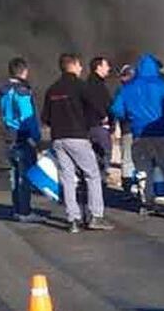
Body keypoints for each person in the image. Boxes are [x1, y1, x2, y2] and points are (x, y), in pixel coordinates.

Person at [41, 53, 113, 233]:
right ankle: (96, 215)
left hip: (58, 138)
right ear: (72, 65)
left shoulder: (52, 89)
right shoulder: (81, 86)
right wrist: (101, 118)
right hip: (78, 137)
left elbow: (45, 117)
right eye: (79, 65)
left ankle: (72, 219)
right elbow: (97, 108)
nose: (82, 68)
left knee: (68, 179)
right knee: (92, 175)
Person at [110, 54, 164, 216]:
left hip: (140, 134)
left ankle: (147, 202)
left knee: (144, 170)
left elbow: (116, 109)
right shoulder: (163, 86)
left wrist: (130, 117)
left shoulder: (128, 87)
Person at [0, 57, 43, 223]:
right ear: (24, 71)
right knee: (24, 177)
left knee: (14, 176)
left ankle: (17, 209)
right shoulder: (22, 91)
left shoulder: (3, 91)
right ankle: (24, 211)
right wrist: (34, 137)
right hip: (23, 138)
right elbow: (27, 117)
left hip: (9, 136)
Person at [85, 56, 113, 177]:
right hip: (99, 127)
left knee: (92, 159)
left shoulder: (86, 84)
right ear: (98, 67)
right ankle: (101, 185)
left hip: (87, 127)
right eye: (106, 65)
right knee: (104, 157)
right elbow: (105, 105)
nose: (109, 68)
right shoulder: (98, 86)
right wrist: (106, 118)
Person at [116, 64, 137, 190]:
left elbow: (117, 110)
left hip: (128, 128)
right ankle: (142, 188)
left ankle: (128, 188)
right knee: (142, 159)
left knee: (127, 159)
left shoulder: (122, 91)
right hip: (142, 130)